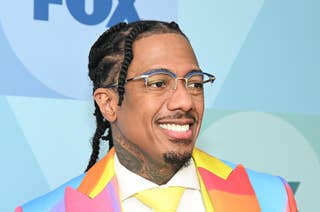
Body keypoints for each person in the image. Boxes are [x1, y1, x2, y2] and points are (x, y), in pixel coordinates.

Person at [15, 20, 297, 212]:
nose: (186, 101)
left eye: (195, 83)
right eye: (159, 83)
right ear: (108, 104)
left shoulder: (270, 198)